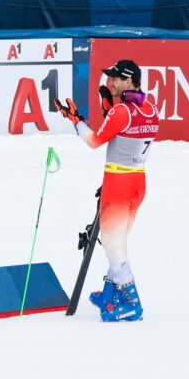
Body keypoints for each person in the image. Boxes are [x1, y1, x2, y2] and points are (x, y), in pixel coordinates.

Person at [56, 60, 159, 322]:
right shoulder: (150, 107)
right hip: (138, 183)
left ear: (129, 81)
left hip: (118, 185)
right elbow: (126, 134)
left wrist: (76, 120)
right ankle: (109, 294)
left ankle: (133, 305)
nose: (109, 83)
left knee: (114, 248)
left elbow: (94, 140)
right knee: (118, 243)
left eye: (115, 78)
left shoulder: (121, 111)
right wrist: (111, 109)